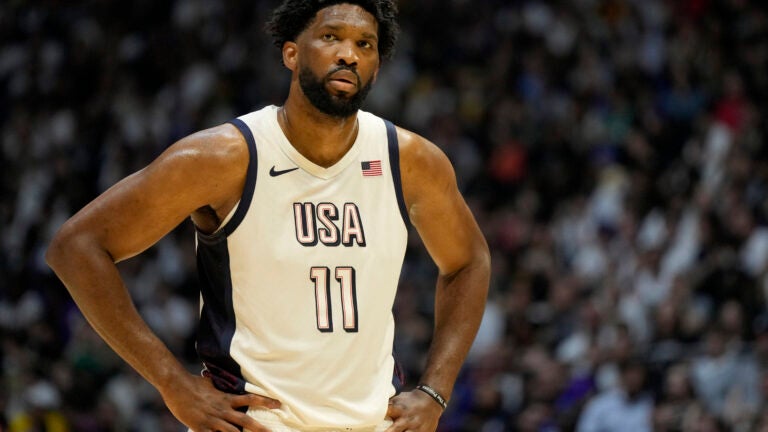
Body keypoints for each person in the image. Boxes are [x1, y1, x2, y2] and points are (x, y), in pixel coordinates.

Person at [45, 1, 491, 431]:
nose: (348, 54)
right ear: (291, 53)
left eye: (365, 45)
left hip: (372, 422)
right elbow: (76, 247)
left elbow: (469, 261)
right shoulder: (223, 157)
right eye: (331, 37)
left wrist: (435, 391)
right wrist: (171, 382)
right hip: (256, 423)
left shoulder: (409, 160)